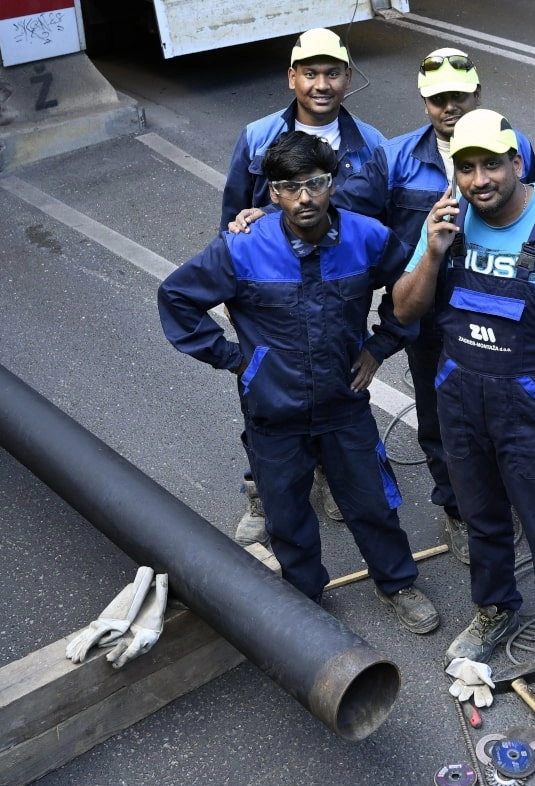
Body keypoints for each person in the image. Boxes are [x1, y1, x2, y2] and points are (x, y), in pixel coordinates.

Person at [233, 48, 535, 566]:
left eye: (458, 96)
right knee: (441, 421)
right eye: (438, 98)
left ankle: (503, 499)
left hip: (499, 312)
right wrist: (265, 213)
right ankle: (460, 511)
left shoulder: (514, 146)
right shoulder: (395, 158)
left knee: (506, 414)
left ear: (478, 94)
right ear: (424, 102)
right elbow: (334, 205)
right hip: (432, 317)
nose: (449, 106)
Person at [159, 132, 439, 635]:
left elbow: (411, 290)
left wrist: (380, 347)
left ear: (332, 184)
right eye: (290, 187)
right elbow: (177, 298)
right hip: (274, 410)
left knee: (371, 504)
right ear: (273, 192)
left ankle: (397, 583)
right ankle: (306, 599)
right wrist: (236, 360)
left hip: (343, 403)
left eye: (315, 183)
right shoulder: (244, 246)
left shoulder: (367, 237)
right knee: (286, 517)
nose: (304, 197)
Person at [393, 109, 535, 724]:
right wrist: (432, 253)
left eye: (491, 164)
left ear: (517, 162)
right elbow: (406, 311)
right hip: (461, 400)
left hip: (533, 408)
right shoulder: (446, 221)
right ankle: (495, 610)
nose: (479, 179)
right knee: (482, 520)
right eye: (466, 167)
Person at [220, 27, 387, 545]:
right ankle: (262, 486)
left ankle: (332, 473)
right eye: (310, 73)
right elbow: (232, 220)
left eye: (332, 73)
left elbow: (382, 230)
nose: (321, 84)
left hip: (337, 300)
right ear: (291, 77)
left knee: (340, 386)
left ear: (348, 77)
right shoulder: (257, 136)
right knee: (264, 397)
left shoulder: (373, 146)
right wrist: (233, 296)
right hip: (270, 300)